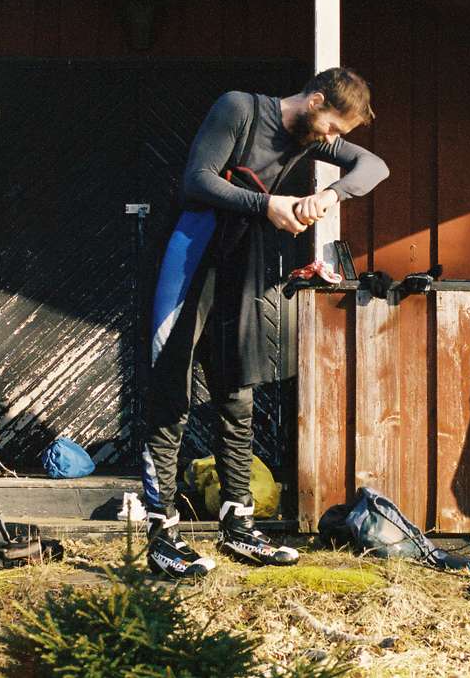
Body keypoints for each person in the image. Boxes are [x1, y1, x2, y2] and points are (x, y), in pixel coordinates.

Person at [142, 68, 388, 579]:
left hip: (243, 263)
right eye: (332, 126)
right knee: (171, 392)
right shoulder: (239, 108)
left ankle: (238, 522)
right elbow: (199, 179)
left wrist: (330, 196)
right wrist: (269, 203)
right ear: (314, 99)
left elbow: (374, 166)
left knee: (238, 392)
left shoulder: (308, 134)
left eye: (338, 135)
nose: (331, 139)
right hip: (192, 253)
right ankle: (160, 530)